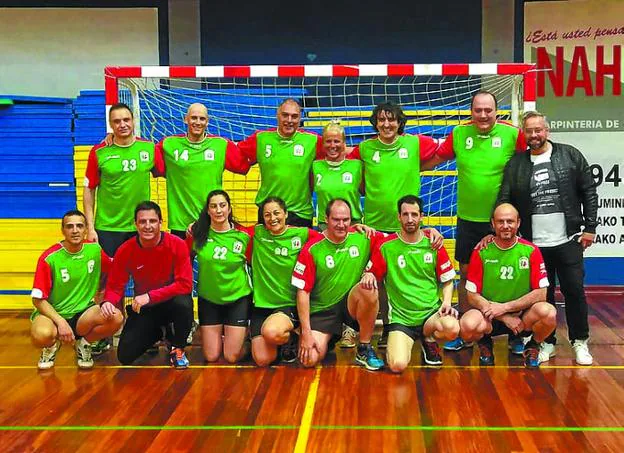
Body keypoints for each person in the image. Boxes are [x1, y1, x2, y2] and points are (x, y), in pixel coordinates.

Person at [496, 111, 598, 365]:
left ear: (547, 130)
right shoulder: (517, 164)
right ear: (524, 133)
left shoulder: (569, 155)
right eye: (529, 131)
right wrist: (498, 232)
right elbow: (505, 198)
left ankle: (580, 342)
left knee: (574, 291)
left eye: (538, 130)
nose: (534, 135)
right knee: (544, 296)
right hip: (534, 244)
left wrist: (590, 227)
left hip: (568, 239)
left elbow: (589, 191)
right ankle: (546, 342)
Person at [433, 90, 527, 353]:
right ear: (471, 112)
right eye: (478, 110)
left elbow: (530, 162)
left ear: (497, 111)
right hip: (468, 221)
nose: (483, 115)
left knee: (509, 277)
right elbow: (436, 157)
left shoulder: (512, 134)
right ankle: (466, 331)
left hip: (502, 221)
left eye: (488, 110)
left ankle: (515, 335)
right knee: (466, 275)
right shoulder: (459, 134)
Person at [349, 101, 442, 347]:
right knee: (376, 281)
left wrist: (417, 167)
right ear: (375, 123)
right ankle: (387, 327)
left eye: (391, 119)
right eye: (381, 120)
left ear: (400, 122)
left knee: (405, 278)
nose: (387, 124)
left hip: (407, 228)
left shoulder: (414, 143)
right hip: (376, 227)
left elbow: (443, 153)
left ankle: (417, 327)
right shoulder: (365, 148)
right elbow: (354, 179)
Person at [363, 195, 459, 372]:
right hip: (401, 319)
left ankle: (428, 338)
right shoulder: (386, 246)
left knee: (452, 328)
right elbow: (370, 272)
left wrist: (446, 303)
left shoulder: (433, 243)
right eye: (405, 214)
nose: (410, 219)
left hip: (430, 314)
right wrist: (368, 274)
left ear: (421, 216)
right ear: (398, 217)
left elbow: (447, 280)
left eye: (414, 214)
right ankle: (423, 339)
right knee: (397, 365)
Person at [292, 199, 384, 370]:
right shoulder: (313, 249)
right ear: (326, 219)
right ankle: (324, 337)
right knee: (309, 359)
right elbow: (302, 292)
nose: (341, 225)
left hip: (351, 304)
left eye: (346, 220)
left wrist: (428, 232)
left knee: (369, 288)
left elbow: (395, 241)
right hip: (323, 311)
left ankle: (364, 348)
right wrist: (306, 333)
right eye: (336, 220)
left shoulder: (363, 238)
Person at [459, 203, 556, 368]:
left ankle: (533, 345)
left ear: (518, 223)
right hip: (490, 315)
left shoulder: (531, 251)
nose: (505, 226)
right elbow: (472, 296)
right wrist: (503, 316)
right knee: (467, 325)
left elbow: (541, 294)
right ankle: (485, 343)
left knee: (549, 313)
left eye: (510, 221)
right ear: (493, 224)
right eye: (500, 221)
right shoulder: (481, 251)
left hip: (521, 317)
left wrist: (505, 308)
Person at [100, 201, 194, 368]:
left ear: (160, 223)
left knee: (184, 303)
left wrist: (150, 296)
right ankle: (160, 333)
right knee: (125, 355)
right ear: (135, 224)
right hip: (146, 308)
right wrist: (108, 301)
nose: (148, 226)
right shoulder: (126, 250)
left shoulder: (177, 244)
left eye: (152, 221)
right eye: (143, 222)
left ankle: (177, 347)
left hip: (172, 303)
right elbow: (115, 285)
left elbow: (185, 285)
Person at [30, 210, 124, 370]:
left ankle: (84, 344)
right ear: (63, 230)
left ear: (86, 229)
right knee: (41, 335)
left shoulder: (94, 250)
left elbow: (117, 268)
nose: (75, 230)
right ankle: (50, 347)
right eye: (70, 226)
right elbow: (37, 300)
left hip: (83, 314)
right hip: (54, 314)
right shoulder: (49, 258)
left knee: (116, 317)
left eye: (79, 226)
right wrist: (60, 322)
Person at [155, 103, 251, 238]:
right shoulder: (168, 144)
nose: (198, 122)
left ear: (207, 122)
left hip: (212, 222)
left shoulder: (221, 145)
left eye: (202, 119)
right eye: (194, 118)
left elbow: (244, 165)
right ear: (185, 119)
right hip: (180, 224)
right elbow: (149, 160)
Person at [250, 197, 322, 366]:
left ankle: (293, 336)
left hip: (288, 305)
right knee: (262, 360)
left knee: (271, 332)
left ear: (286, 214)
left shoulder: (302, 233)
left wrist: (354, 229)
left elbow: (328, 237)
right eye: (267, 215)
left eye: (276, 213)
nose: (272, 218)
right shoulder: (257, 234)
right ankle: (279, 343)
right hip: (261, 305)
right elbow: (228, 228)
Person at [187, 190, 252, 363]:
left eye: (222, 206)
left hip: (237, 298)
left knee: (231, 357)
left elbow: (256, 264)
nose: (218, 210)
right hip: (209, 300)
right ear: (208, 211)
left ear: (229, 209)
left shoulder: (244, 236)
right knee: (211, 356)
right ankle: (228, 337)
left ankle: (249, 340)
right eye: (213, 206)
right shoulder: (197, 235)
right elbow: (184, 261)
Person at [83, 103, 157, 256]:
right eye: (117, 121)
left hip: (140, 227)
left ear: (133, 121)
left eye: (126, 120)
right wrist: (90, 228)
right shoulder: (99, 152)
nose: (122, 125)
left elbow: (174, 170)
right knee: (110, 279)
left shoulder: (149, 148)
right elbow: (89, 190)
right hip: (107, 228)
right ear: (110, 124)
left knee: (143, 278)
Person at [238, 98, 323, 227]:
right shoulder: (261, 138)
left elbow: (338, 150)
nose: (289, 120)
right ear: (277, 115)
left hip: (299, 213)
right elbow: (234, 154)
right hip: (268, 211)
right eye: (285, 115)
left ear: (300, 118)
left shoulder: (312, 141)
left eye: (294, 116)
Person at [312, 121, 363, 230]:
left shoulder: (357, 165)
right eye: (328, 141)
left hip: (353, 225)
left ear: (344, 143)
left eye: (337, 141)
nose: (332, 145)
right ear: (323, 143)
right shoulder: (315, 166)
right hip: (324, 226)